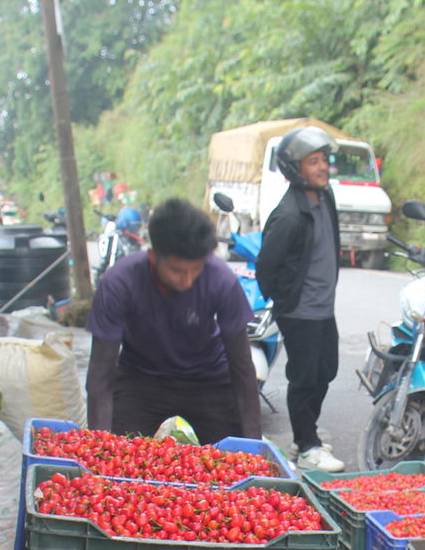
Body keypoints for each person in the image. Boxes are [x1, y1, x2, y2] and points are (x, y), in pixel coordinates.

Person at [85, 198, 261, 444]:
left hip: (209, 378)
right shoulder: (118, 284)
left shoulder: (221, 281)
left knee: (233, 460)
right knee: (120, 456)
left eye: (195, 269)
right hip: (141, 379)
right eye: (177, 270)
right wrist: (98, 446)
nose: (187, 281)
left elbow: (242, 367)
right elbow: (100, 374)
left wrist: (253, 447)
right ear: (153, 256)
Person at [257, 126, 345, 471]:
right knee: (305, 377)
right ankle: (307, 445)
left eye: (324, 159)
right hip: (300, 311)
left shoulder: (326, 197)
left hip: (324, 307)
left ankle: (304, 436)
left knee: (327, 370)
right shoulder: (289, 215)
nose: (322, 167)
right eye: (313, 161)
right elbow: (266, 265)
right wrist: (285, 303)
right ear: (295, 169)